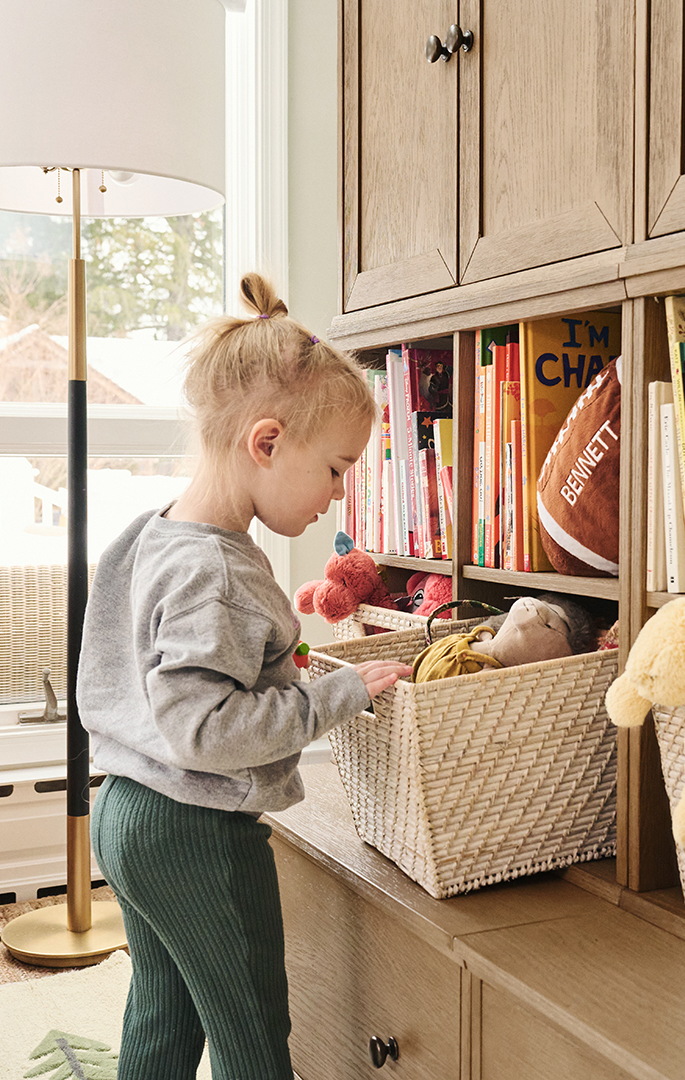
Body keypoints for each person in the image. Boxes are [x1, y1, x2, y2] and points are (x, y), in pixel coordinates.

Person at [80, 272, 410, 1080]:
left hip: (125, 809)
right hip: (194, 830)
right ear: (266, 443)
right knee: (251, 1031)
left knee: (166, 1010)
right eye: (336, 469)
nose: (338, 497)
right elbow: (206, 728)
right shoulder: (216, 573)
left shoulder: (153, 534)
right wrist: (336, 693)